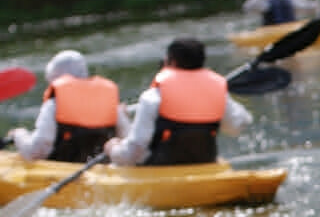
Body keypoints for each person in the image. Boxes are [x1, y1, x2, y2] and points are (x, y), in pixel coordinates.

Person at [104, 37, 251, 167]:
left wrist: (113, 149)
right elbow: (238, 125)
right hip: (205, 162)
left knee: (118, 146)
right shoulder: (218, 92)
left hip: (161, 167)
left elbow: (133, 153)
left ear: (171, 62)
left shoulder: (153, 97)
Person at [9, 50, 130, 163]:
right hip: (104, 171)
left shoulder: (53, 104)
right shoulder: (109, 101)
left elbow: (36, 152)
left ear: (54, 77)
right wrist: (124, 116)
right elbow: (128, 142)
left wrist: (19, 135)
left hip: (63, 171)